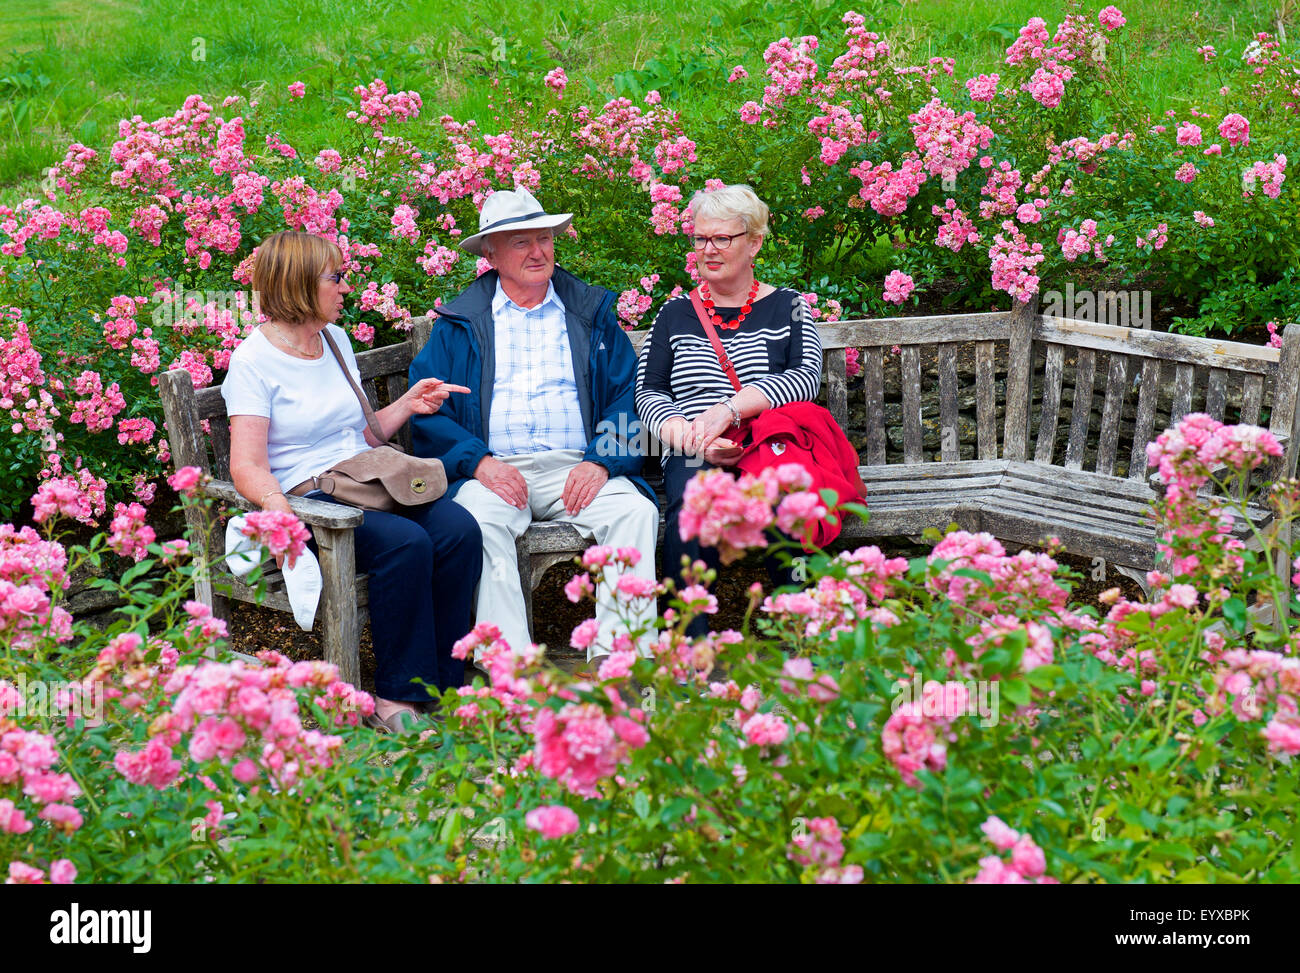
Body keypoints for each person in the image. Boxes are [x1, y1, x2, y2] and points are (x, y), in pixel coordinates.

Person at [224, 230, 482, 733]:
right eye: (336, 278)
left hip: (365, 478)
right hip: (312, 498)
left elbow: (361, 434)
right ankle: (397, 698)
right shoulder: (252, 361)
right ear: (298, 283)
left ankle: (446, 682)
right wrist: (275, 504)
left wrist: (408, 403)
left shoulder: (334, 340)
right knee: (404, 544)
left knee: (458, 530)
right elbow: (245, 464)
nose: (346, 287)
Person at [409, 187, 659, 665]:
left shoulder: (591, 315)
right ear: (491, 253)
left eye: (543, 238)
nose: (538, 251)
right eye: (520, 242)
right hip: (496, 470)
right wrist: (478, 462)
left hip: (579, 466)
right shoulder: (458, 324)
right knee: (475, 524)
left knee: (636, 513)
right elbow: (428, 409)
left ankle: (618, 665)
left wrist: (602, 462)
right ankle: (512, 673)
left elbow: (629, 397)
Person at [635, 183, 824, 632]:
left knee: (790, 507)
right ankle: (687, 645)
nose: (708, 249)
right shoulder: (674, 313)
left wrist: (729, 411)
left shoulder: (789, 306)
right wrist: (695, 439)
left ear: (754, 242)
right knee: (690, 511)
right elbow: (648, 393)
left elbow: (806, 378)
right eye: (701, 239)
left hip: (767, 443)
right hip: (694, 447)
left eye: (722, 238)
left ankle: (803, 640)